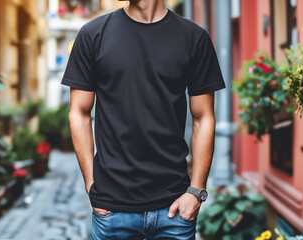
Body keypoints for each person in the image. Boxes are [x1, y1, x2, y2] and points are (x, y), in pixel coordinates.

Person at [61, 0, 226, 238]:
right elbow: (79, 112)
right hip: (113, 210)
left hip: (174, 209)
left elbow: (204, 117)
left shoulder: (193, 37)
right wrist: (91, 185)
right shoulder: (93, 34)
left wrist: (196, 191)